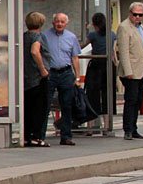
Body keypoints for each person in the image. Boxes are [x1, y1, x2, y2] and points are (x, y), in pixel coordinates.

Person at [39, 13, 82, 146]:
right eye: (57, 21)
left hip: (66, 73)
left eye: (62, 22)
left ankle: (66, 136)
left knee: (67, 105)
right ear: (53, 23)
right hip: (50, 73)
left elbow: (75, 58)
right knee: (45, 105)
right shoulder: (45, 36)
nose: (59, 24)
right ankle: (40, 136)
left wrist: (78, 77)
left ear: (66, 23)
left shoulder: (71, 37)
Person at [116, 2, 143, 140]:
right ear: (130, 13)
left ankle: (134, 128)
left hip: (141, 68)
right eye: (135, 15)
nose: (138, 17)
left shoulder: (141, 28)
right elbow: (123, 51)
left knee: (138, 99)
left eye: (140, 15)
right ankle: (128, 129)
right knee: (131, 100)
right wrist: (128, 71)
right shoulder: (124, 27)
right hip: (131, 71)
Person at [23, 11, 51, 147]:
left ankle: (26, 136)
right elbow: (35, 51)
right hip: (38, 78)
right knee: (40, 108)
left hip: (26, 78)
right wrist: (43, 69)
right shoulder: (38, 36)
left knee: (27, 108)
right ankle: (37, 137)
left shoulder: (23, 37)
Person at [84, 13, 115, 117]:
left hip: (95, 66)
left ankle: (91, 126)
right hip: (108, 65)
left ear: (93, 23)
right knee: (107, 95)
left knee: (92, 95)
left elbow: (82, 45)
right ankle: (107, 124)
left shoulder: (92, 35)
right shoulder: (112, 34)